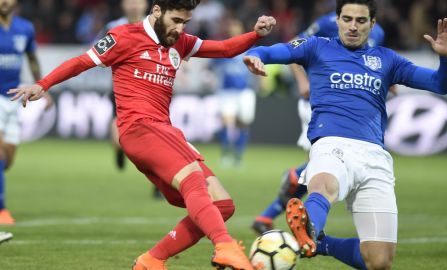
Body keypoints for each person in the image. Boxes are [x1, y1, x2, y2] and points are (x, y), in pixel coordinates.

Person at [8, 1, 276, 269]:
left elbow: (225, 49)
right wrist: (43, 84)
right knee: (193, 179)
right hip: (139, 127)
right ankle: (225, 246)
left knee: (223, 204)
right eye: (176, 20)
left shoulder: (180, 42)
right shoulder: (123, 37)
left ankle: (152, 260)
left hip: (164, 130)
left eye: (186, 22)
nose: (180, 28)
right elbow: (82, 61)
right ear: (157, 11)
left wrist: (255, 35)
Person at [243, 0, 447, 269]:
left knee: (379, 262)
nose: (353, 26)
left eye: (360, 20)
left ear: (372, 24)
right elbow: (276, 51)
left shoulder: (387, 60)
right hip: (331, 143)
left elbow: (441, 84)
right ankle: (308, 230)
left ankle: (319, 243)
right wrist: (258, 56)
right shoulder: (316, 47)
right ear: (337, 20)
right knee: (323, 185)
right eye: (347, 19)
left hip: (375, 157)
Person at [252, 7, 385, 235]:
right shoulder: (327, 23)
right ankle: (299, 204)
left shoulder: (378, 33)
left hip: (351, 106)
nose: (353, 24)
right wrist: (303, 81)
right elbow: (295, 43)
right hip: (319, 102)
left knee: (325, 166)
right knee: (325, 164)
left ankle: (272, 210)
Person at [0, 0, 52, 225]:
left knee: (7, 160)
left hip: (13, 98)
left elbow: (31, 59)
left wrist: (43, 86)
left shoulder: (25, 29)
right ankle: (2, 209)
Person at [95, 0, 148, 171]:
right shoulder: (112, 27)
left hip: (152, 87)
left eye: (138, 1)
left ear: (146, 4)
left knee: (155, 136)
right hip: (122, 89)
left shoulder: (156, 26)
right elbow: (97, 53)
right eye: (130, 1)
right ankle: (119, 150)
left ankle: (159, 180)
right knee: (118, 132)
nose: (134, 5)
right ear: (123, 5)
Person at [212, 17, 257, 167]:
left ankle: (238, 156)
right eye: (231, 27)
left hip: (245, 91)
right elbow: (212, 66)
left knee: (243, 123)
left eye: (236, 27)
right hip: (227, 91)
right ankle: (226, 154)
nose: (233, 30)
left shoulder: (249, 48)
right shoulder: (224, 47)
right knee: (226, 122)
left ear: (241, 30)